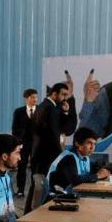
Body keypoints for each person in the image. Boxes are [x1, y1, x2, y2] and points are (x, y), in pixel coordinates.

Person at [27, 79, 77, 212]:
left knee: (38, 190)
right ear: (54, 94)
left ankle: (29, 219)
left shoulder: (52, 108)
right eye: (63, 95)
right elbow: (53, 136)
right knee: (39, 190)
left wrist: (66, 112)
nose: (65, 98)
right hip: (44, 158)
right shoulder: (47, 109)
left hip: (45, 157)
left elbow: (67, 129)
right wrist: (60, 157)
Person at [44, 127, 111, 203]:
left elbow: (90, 171)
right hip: (54, 199)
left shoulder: (84, 157)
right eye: (89, 143)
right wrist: (97, 176)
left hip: (67, 197)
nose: (92, 147)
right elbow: (75, 180)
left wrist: (102, 170)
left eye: (94, 143)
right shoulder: (68, 158)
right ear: (78, 143)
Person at [11, 89, 38, 197]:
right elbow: (14, 129)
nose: (34, 99)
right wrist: (17, 142)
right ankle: (21, 190)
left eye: (36, 97)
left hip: (36, 145)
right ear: (26, 98)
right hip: (23, 144)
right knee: (22, 167)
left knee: (35, 168)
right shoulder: (19, 111)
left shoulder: (41, 110)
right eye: (32, 97)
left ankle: (35, 189)